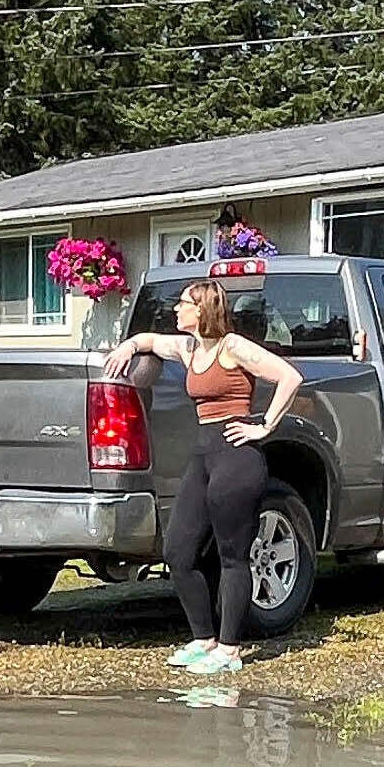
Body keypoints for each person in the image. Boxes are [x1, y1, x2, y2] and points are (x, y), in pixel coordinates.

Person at [102, 278, 306, 675]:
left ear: (202, 310)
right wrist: (128, 346)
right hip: (203, 454)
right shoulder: (188, 348)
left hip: (236, 456)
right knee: (178, 551)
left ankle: (228, 650)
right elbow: (148, 340)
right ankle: (203, 640)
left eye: (183, 304)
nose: (176, 310)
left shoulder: (233, 348)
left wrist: (264, 426)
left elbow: (289, 377)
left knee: (232, 556)